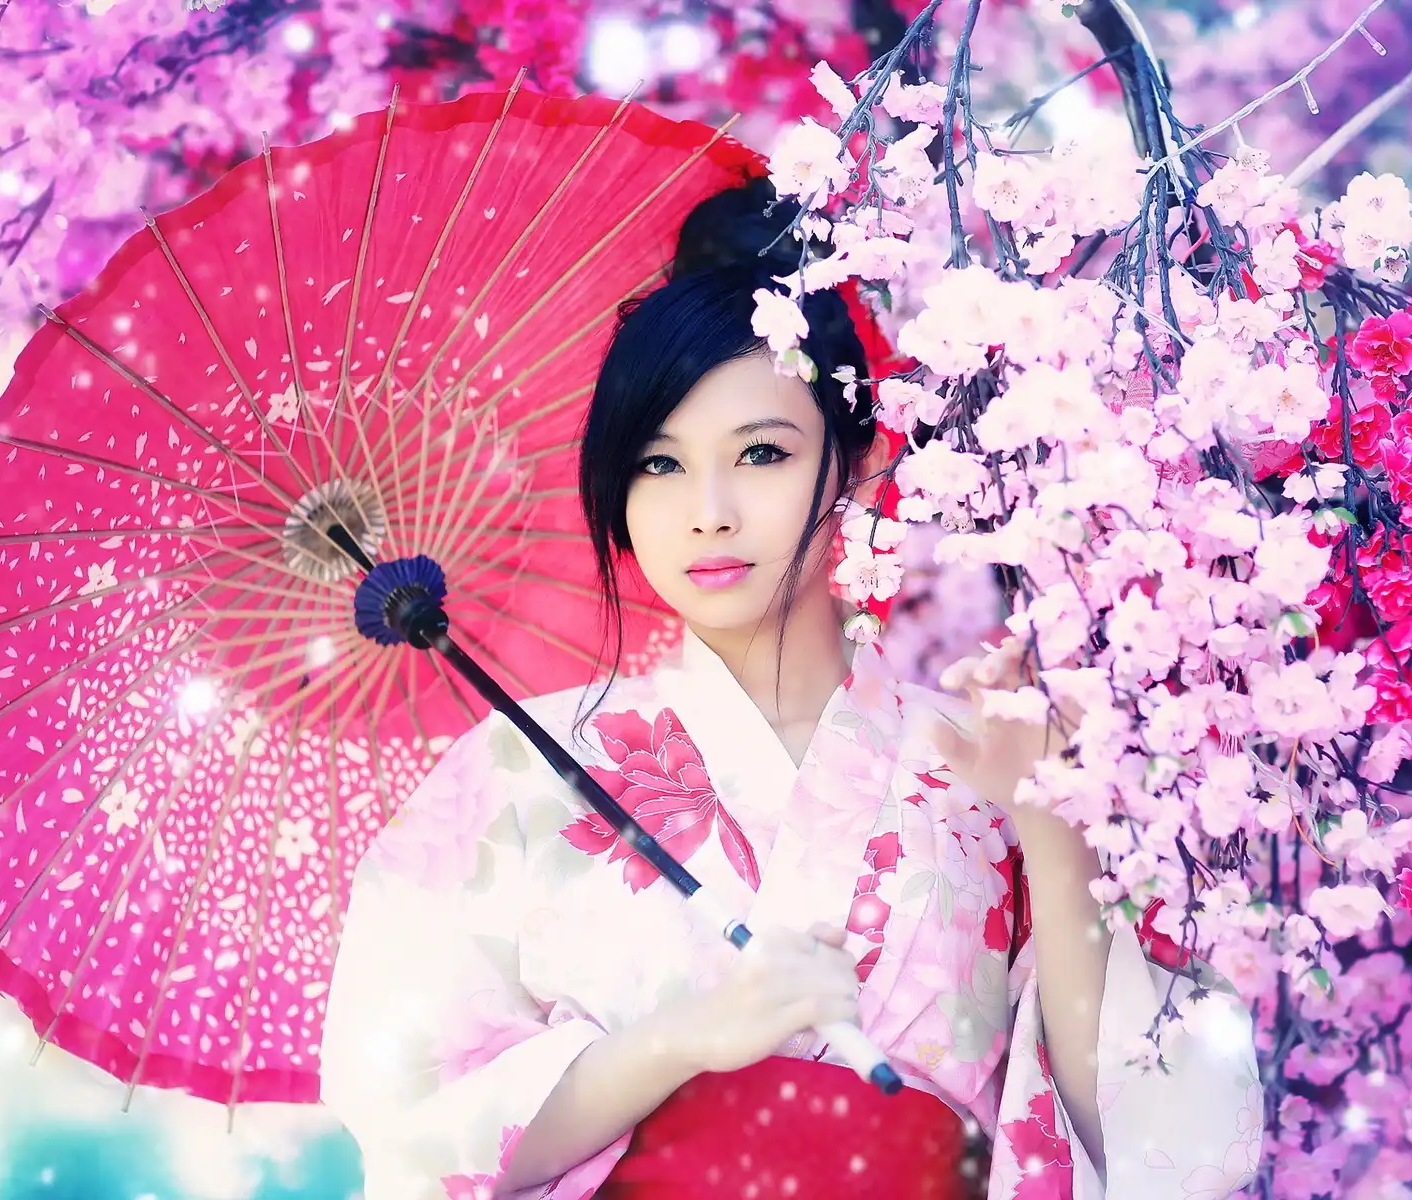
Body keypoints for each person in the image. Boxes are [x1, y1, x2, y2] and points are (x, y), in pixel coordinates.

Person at [318, 180, 1264, 1199]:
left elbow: (1160, 1140)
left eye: (762, 454)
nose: (708, 513)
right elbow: (409, 1134)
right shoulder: (516, 772)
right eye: (658, 465)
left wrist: (1049, 825)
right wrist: (684, 1041)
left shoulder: (986, 754)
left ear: (860, 464)